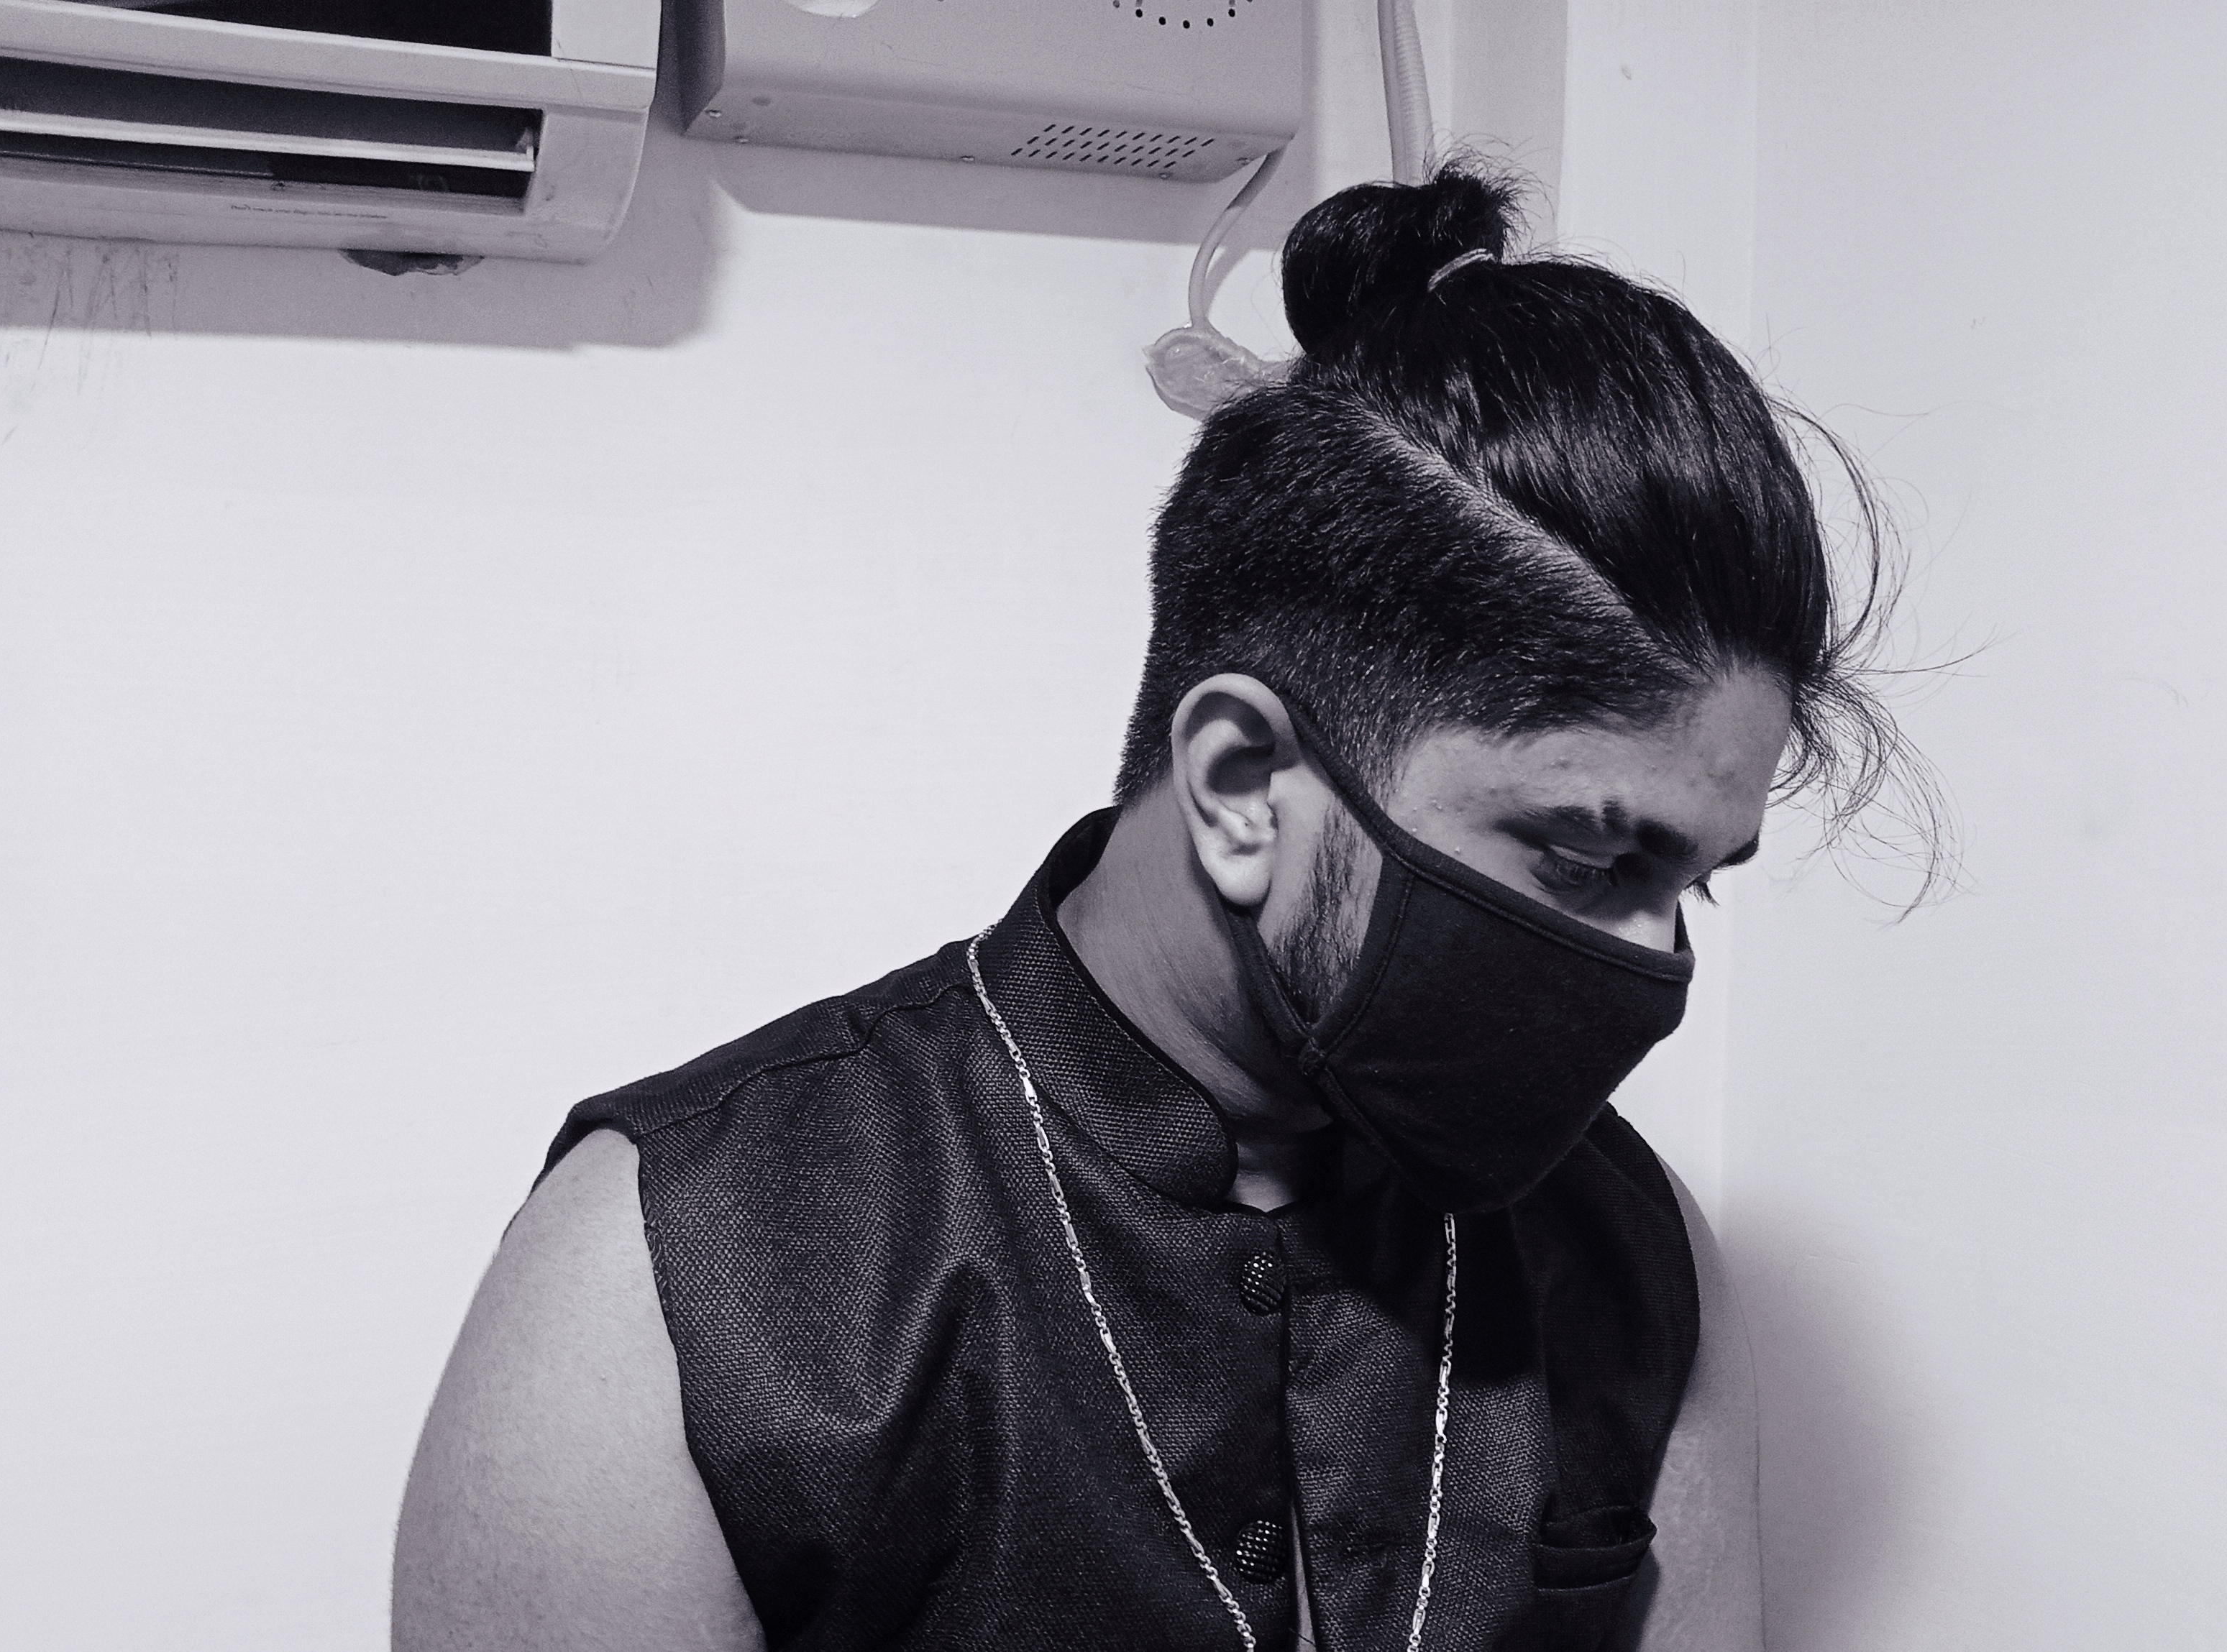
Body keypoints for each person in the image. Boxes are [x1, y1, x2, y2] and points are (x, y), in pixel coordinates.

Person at [393, 164, 1912, 1652]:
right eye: (1582, 862)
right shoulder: (668, 1276)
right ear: (1243, 782)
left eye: (1691, 884)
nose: (1651, 968)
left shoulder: (1631, 1250)